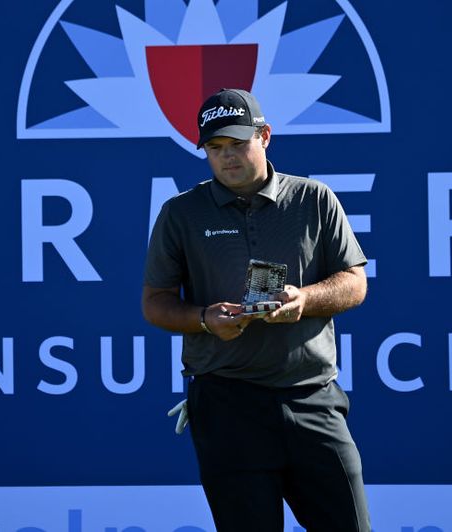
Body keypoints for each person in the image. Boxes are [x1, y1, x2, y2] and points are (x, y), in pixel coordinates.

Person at [142, 88, 371, 531]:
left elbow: (355, 283)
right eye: (215, 148)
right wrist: (206, 320)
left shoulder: (314, 199)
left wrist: (304, 300)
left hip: (311, 398)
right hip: (227, 404)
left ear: (264, 136)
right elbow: (155, 303)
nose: (227, 157)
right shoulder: (181, 213)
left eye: (237, 144)